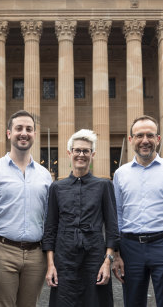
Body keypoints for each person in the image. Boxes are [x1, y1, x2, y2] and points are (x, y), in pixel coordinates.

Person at [112, 115, 163, 307]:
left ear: (158, 139)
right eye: (139, 136)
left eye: (150, 135)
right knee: (133, 302)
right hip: (130, 247)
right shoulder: (121, 174)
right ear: (131, 140)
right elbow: (117, 215)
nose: (144, 140)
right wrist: (118, 254)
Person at [43, 129, 119, 307]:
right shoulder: (56, 188)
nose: (81, 154)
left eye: (86, 151)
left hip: (95, 258)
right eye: (77, 150)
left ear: (92, 154)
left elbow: (112, 228)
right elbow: (50, 228)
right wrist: (50, 265)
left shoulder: (104, 186)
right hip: (64, 260)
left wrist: (107, 262)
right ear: (69, 153)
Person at [0, 110, 52, 307]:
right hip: (1, 252)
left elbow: (48, 219)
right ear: (8, 134)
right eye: (19, 128)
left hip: (35, 255)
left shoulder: (45, 175)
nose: (24, 133)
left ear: (34, 135)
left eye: (29, 129)